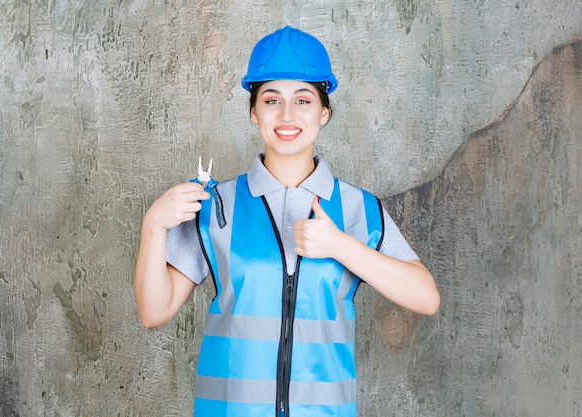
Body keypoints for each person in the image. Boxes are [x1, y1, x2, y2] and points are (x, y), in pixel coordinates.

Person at [135, 26, 440, 417]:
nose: (287, 115)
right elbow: (153, 311)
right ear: (253, 112)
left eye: (303, 99)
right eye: (271, 99)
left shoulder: (358, 209)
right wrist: (153, 227)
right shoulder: (216, 206)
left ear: (324, 112)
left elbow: (426, 298)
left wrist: (341, 246)